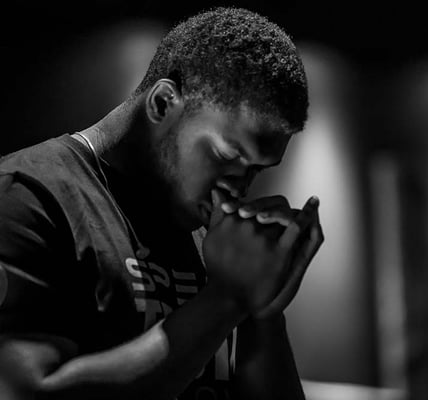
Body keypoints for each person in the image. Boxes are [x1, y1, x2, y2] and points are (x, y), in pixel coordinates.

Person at [0, 7, 323, 400]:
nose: (238, 188)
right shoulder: (28, 194)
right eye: (226, 157)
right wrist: (226, 299)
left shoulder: (217, 235)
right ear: (163, 103)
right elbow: (24, 391)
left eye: (256, 171)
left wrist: (262, 304)